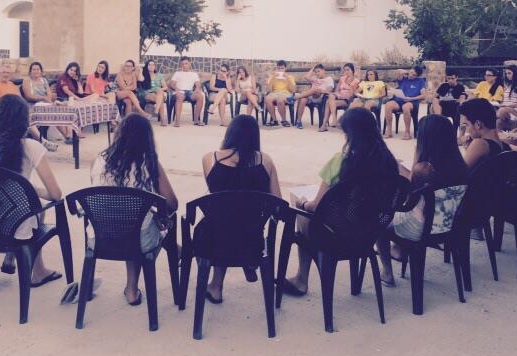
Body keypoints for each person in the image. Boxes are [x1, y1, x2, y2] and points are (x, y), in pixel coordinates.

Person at [282, 108, 400, 296]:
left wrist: (302, 204)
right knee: (368, 209)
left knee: (301, 213)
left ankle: (301, 279)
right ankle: (387, 272)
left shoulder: (341, 162)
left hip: (336, 234)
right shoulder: (389, 163)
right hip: (369, 232)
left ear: (349, 134)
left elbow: (316, 207)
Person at [0, 95, 63, 287]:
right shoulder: (32, 148)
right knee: (36, 208)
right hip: (18, 227)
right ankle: (38, 270)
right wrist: (31, 189)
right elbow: (56, 195)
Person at [90, 113, 178, 305]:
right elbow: (172, 203)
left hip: (100, 235)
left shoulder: (99, 160)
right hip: (136, 238)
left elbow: (97, 195)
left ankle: (90, 283)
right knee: (144, 222)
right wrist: (156, 210)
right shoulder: (150, 163)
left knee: (132, 220)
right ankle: (131, 289)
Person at [198, 115, 282, 303]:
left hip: (214, 238)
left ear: (229, 134)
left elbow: (219, 198)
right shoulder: (265, 161)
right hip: (251, 238)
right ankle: (248, 263)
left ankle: (216, 286)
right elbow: (277, 203)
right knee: (238, 221)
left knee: (220, 221)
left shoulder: (210, 159)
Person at [379, 114, 469, 285]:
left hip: (422, 227)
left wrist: (406, 164)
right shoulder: (459, 165)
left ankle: (387, 272)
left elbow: (409, 192)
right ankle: (399, 249)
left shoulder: (423, 168)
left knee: (381, 223)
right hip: (448, 224)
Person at [0, 63, 56, 151]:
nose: (6, 74)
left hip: (17, 111)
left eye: (8, 72)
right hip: (5, 113)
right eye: (4, 72)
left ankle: (41, 141)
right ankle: (42, 141)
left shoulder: (12, 85)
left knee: (28, 118)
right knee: (28, 119)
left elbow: (20, 99)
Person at [383, 65, 427, 140]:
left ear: (417, 76)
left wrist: (411, 98)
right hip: (399, 101)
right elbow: (398, 72)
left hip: (411, 102)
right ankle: (389, 131)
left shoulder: (420, 81)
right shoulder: (403, 78)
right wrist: (405, 72)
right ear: (410, 70)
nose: (411, 75)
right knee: (388, 105)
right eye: (411, 72)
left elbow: (424, 95)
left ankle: (407, 132)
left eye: (414, 75)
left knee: (405, 107)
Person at [459, 99, 506, 170]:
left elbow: (460, 172)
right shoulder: (502, 144)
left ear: (478, 124)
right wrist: (469, 147)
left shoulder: (480, 143)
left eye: (467, 125)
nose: (467, 130)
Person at [320, 63, 359, 132]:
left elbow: (352, 94)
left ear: (352, 70)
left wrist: (349, 84)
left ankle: (324, 125)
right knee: (330, 96)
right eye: (345, 70)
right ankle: (334, 119)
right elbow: (337, 90)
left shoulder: (356, 81)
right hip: (339, 96)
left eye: (348, 70)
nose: (346, 72)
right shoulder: (342, 78)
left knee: (328, 102)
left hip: (347, 100)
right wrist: (337, 95)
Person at [294, 64, 335, 129]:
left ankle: (296, 97)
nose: (317, 73)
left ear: (324, 70)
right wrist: (313, 68)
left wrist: (320, 90)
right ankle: (298, 121)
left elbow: (329, 90)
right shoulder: (314, 78)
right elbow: (306, 77)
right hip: (311, 97)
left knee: (315, 89)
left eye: (318, 71)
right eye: (315, 72)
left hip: (321, 97)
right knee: (303, 99)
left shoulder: (329, 79)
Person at [169, 57, 205, 127]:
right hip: (179, 91)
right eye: (182, 64)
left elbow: (198, 84)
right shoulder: (177, 73)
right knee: (180, 96)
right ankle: (177, 121)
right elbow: (171, 84)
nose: (184, 65)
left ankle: (196, 120)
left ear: (189, 64)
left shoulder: (194, 74)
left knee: (200, 96)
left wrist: (197, 89)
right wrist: (176, 88)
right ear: (180, 65)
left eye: (186, 63)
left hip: (190, 92)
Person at [264, 60, 297, 127]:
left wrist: (287, 78)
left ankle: (284, 120)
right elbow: (268, 90)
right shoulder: (272, 76)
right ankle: (275, 120)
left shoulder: (290, 77)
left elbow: (293, 90)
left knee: (280, 99)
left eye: (282, 68)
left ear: (285, 68)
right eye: (278, 68)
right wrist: (273, 78)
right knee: (267, 99)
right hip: (274, 93)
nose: (280, 70)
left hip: (285, 93)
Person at [138, 60, 168, 126]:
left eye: (153, 65)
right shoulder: (144, 75)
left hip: (158, 93)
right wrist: (140, 70)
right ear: (147, 66)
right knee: (161, 99)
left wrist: (159, 89)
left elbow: (165, 87)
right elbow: (140, 79)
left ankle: (156, 110)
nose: (151, 66)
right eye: (149, 65)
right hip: (147, 94)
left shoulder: (159, 75)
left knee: (160, 92)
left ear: (155, 66)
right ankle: (162, 119)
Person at [496, 65, 517, 130]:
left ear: (515, 73)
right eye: (506, 74)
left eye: (509, 73)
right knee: (498, 122)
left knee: (501, 111)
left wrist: (506, 106)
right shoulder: (509, 86)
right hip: (506, 110)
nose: (507, 75)